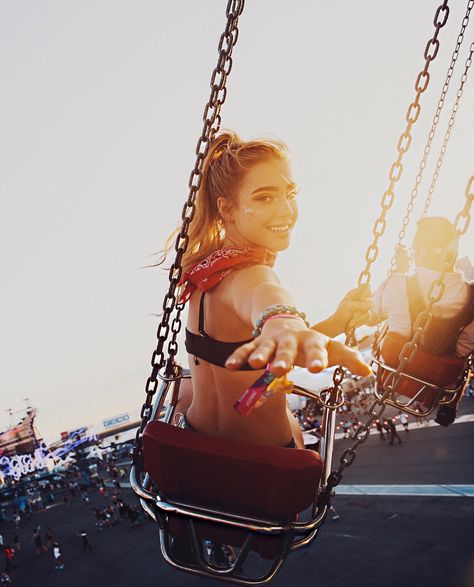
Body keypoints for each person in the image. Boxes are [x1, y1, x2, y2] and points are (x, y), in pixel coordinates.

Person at [163, 131, 372, 449]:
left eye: (290, 193)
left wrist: (334, 323)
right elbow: (268, 297)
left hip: (199, 449)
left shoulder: (208, 275)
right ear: (227, 209)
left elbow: (254, 384)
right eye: (264, 197)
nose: (287, 210)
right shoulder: (251, 275)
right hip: (264, 469)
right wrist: (285, 321)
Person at [371, 217, 474, 422]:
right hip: (439, 378)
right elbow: (464, 349)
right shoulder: (470, 296)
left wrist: (398, 272)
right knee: (462, 359)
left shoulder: (397, 284)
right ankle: (449, 407)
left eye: (415, 248)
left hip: (395, 370)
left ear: (419, 251)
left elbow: (371, 316)